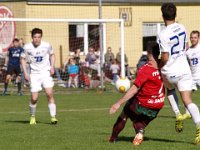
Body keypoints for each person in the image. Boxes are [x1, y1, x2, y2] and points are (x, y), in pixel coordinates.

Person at [158, 3, 200, 144]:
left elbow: (165, 56)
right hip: (184, 70)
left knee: (169, 89)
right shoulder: (182, 27)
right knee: (187, 101)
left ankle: (177, 114)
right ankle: (199, 126)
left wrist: (159, 65)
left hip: (170, 71)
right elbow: (186, 46)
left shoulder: (163, 33)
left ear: (163, 16)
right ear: (175, 14)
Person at [109, 42, 164, 146]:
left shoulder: (145, 69)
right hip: (158, 105)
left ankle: (113, 139)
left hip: (143, 104)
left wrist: (118, 103)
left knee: (125, 113)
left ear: (147, 53)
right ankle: (140, 131)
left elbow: (134, 89)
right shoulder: (164, 66)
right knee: (138, 122)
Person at [21, 28, 58, 125]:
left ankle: (53, 117)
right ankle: (32, 116)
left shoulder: (47, 45)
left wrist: (52, 67)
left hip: (45, 73)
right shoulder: (27, 47)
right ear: (32, 37)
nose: (37, 39)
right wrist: (25, 73)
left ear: (41, 37)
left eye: (38, 37)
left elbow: (52, 55)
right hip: (34, 74)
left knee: (49, 93)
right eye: (35, 37)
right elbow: (23, 59)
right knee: (34, 98)